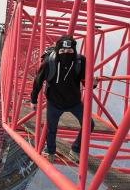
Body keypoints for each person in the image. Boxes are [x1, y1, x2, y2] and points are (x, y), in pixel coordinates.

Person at [30, 35, 99, 164]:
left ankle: (75, 149)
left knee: (89, 125)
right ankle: (51, 152)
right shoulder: (49, 62)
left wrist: (94, 83)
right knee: (51, 129)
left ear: (74, 51)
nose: (65, 54)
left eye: (69, 51)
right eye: (62, 51)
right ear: (57, 51)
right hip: (54, 102)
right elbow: (37, 81)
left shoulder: (80, 61)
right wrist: (34, 100)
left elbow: (86, 83)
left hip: (74, 102)